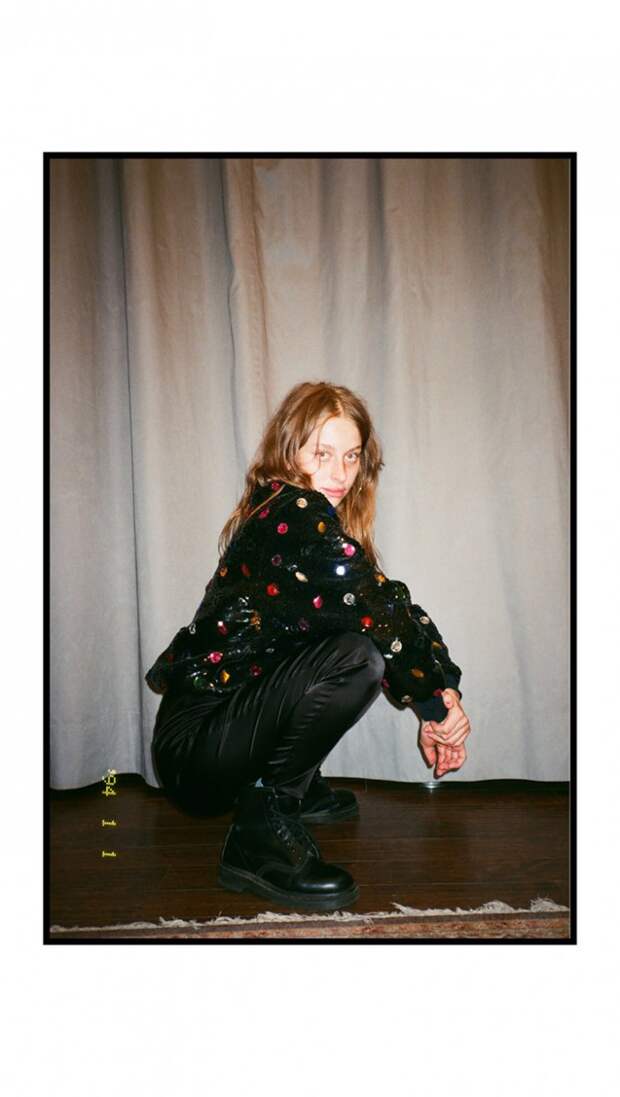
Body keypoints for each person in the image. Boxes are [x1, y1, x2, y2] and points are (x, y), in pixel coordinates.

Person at [145, 381, 471, 912]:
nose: (341, 472)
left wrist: (445, 691)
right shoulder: (291, 514)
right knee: (357, 657)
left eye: (351, 456)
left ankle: (291, 784)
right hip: (195, 753)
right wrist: (435, 705)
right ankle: (258, 834)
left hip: (220, 735)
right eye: (322, 454)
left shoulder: (301, 515)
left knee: (350, 639)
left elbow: (388, 603)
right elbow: (381, 616)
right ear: (289, 452)